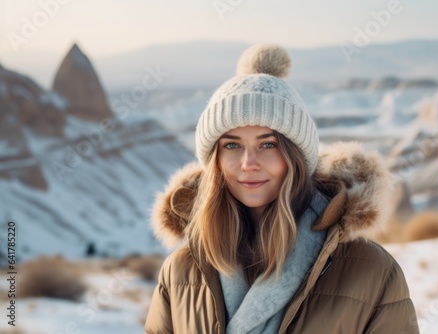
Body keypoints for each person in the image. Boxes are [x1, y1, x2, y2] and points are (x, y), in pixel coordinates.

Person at [145, 44, 419, 334]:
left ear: (297, 157)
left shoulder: (372, 272)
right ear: (216, 161)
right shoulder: (181, 272)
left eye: (268, 144)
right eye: (232, 145)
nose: (248, 163)